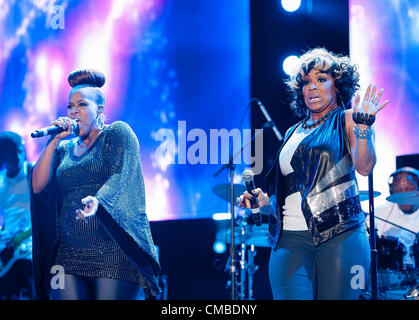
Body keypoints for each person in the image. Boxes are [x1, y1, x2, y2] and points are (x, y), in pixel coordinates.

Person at [238, 48, 389, 300]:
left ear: (338, 86)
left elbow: (365, 167)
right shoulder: (291, 132)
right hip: (288, 240)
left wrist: (363, 129)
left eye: (321, 79)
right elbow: (291, 190)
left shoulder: (349, 119)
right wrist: (264, 202)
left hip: (342, 237)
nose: (312, 87)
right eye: (307, 82)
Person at [30, 69, 160, 300]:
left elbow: (123, 175)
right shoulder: (63, 149)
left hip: (112, 251)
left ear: (100, 110)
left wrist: (98, 200)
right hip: (68, 255)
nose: (73, 111)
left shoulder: (116, 134)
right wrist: (53, 140)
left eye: (81, 105)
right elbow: (38, 187)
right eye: (70, 106)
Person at [0, 131, 34, 299]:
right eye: (14, 151)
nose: (20, 155)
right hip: (9, 249)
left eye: (21, 149)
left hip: (33, 248)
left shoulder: (34, 172)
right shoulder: (0, 182)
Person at [369, 167, 419, 267]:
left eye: (409, 189)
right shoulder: (378, 214)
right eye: (399, 190)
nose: (404, 194)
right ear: (392, 191)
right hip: (389, 276)